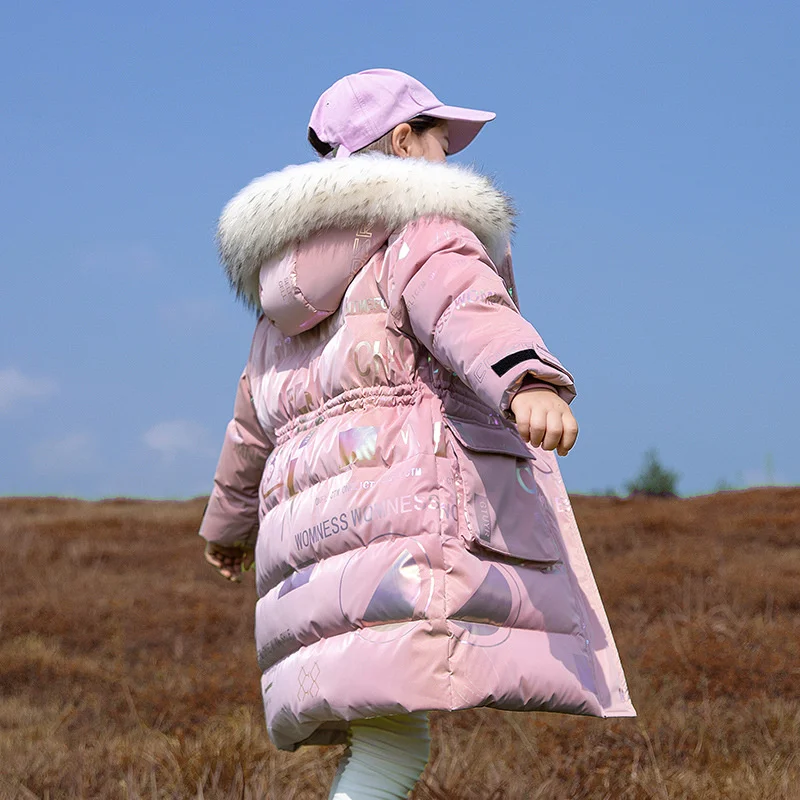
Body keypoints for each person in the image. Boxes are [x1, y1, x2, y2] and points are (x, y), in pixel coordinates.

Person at [199, 68, 636, 799]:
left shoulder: (281, 296)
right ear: (403, 142)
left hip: (310, 547)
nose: (450, 158)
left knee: (387, 737)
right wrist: (527, 379)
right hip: (405, 521)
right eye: (440, 141)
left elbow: (250, 423)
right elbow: (468, 306)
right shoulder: (424, 231)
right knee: (391, 747)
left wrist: (227, 526)